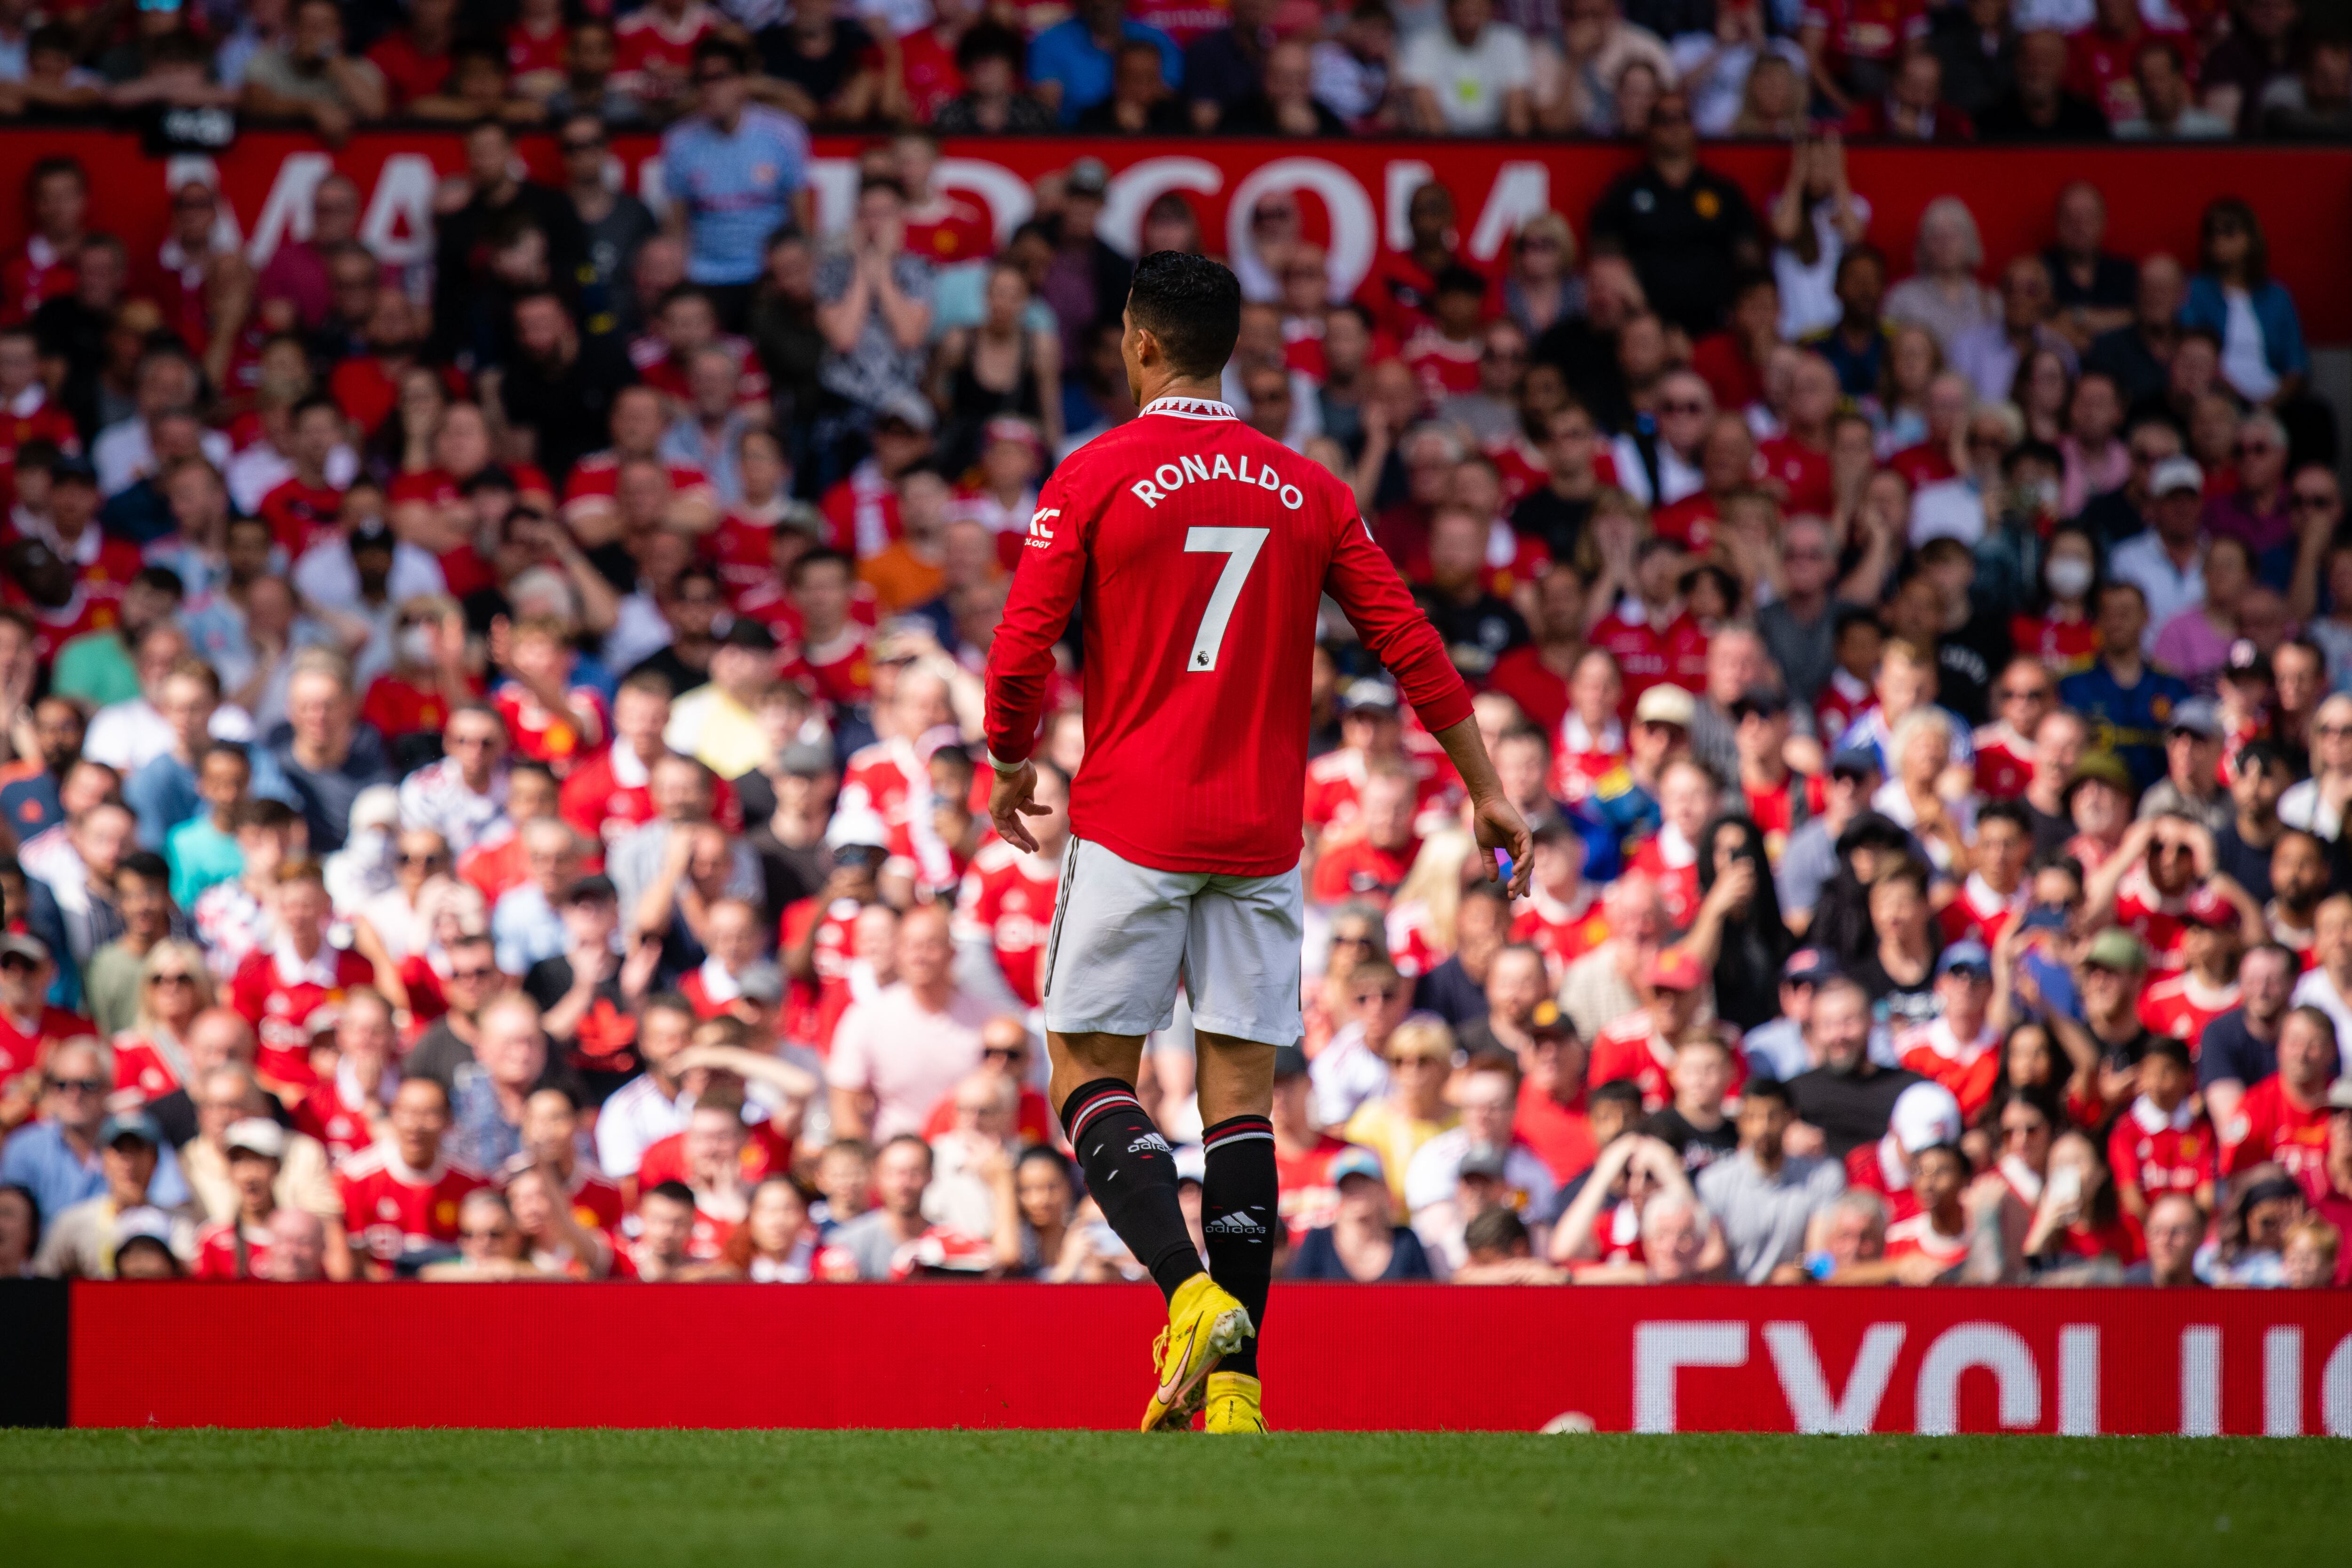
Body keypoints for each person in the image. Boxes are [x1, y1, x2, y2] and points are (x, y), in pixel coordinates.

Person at [982, 253, 1531, 1435]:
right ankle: (1234, 1393)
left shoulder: (1093, 474)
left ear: (1137, 344)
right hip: (1263, 832)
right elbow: (1407, 638)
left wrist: (1009, 760)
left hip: (1134, 820)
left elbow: (1023, 644)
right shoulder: (1305, 487)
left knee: (1086, 1074)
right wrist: (1485, 787)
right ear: (1225, 349)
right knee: (1240, 1105)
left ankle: (1188, 1299)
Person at [1696, 1075, 1846, 1282]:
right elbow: (1713, 1260)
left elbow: (1824, 1261)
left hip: (1797, 1299)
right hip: (1733, 1302)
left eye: (1773, 1117)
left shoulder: (1823, 1176)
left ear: (1791, 1118)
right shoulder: (1713, 1182)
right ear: (1740, 1122)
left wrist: (1803, 1270)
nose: (1763, 1128)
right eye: (1752, 1117)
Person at [1287, 1147, 1435, 1280]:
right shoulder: (1318, 1241)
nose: (1355, 1192)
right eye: (1347, 1185)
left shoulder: (1406, 1241)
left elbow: (1424, 1300)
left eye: (1363, 1183)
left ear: (1382, 1188)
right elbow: (1297, 1299)